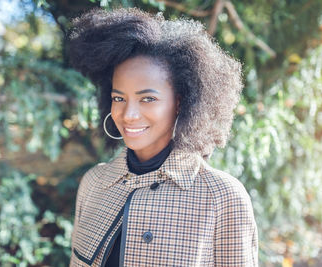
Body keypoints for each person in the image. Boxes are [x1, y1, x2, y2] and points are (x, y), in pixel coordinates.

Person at [68, 7, 258, 267]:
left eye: (148, 98)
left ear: (181, 103)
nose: (129, 114)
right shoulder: (93, 184)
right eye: (118, 98)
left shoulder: (223, 197)